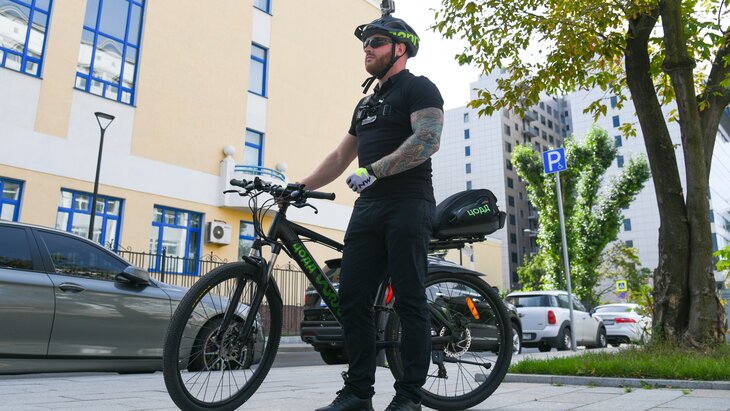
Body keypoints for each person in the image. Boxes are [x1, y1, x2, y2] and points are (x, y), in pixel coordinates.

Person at [299, 14, 444, 411]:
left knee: (409, 300)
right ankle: (359, 393)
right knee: (352, 299)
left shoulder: (418, 87)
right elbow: (340, 156)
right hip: (368, 208)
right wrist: (301, 186)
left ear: (400, 48)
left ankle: (409, 397)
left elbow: (427, 140)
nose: (368, 48)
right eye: (365, 43)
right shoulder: (365, 104)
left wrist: (375, 171)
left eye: (377, 42)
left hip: (409, 204)